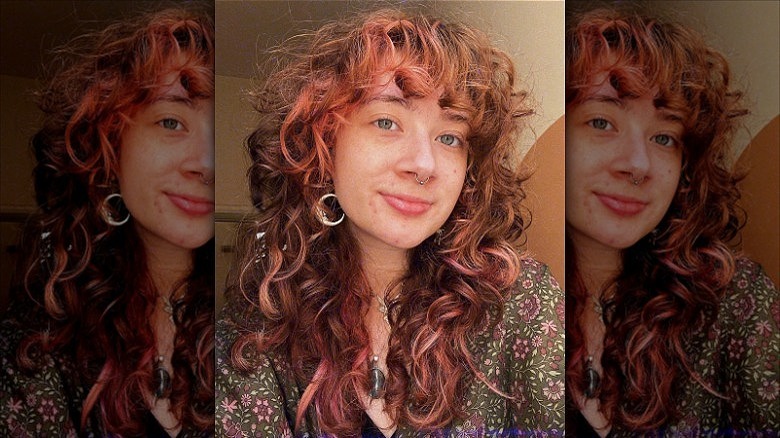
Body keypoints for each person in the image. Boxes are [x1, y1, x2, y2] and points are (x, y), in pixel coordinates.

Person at [215, 8, 564, 437]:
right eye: (386, 121)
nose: (424, 164)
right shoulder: (260, 319)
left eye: (449, 137)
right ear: (323, 145)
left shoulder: (520, 301)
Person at [0, 6, 215, 437]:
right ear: (109, 146)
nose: (206, 163)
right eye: (171, 121)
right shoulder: (34, 347)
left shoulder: (242, 330)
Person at [564, 7, 779, 436]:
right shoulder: (513, 304)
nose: (638, 165)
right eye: (602, 122)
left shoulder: (732, 301)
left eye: (664, 137)